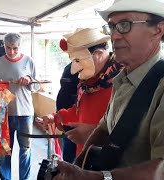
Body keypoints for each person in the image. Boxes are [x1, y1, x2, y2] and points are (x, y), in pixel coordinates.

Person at [49, 0, 164, 179]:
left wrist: (97, 177)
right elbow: (104, 129)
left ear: (158, 30)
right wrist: (79, 165)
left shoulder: (159, 85)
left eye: (125, 25)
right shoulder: (121, 79)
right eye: (111, 27)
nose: (115, 36)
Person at [41, 28, 122, 157]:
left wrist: (94, 134)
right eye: (72, 60)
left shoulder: (121, 83)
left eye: (77, 60)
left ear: (99, 54)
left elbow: (129, 132)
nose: (73, 70)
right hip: (85, 156)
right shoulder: (87, 83)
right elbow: (79, 111)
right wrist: (57, 117)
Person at [0, 33, 40, 180]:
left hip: (25, 113)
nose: (11, 52)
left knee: (25, 150)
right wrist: (1, 87)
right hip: (4, 115)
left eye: (15, 48)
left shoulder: (29, 61)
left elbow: (36, 87)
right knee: (4, 151)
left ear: (20, 47)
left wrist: (29, 80)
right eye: (8, 48)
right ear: (4, 46)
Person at [55, 63, 79, 163]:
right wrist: (57, 117)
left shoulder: (94, 73)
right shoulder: (68, 67)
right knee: (68, 160)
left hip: (81, 125)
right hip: (67, 123)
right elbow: (62, 94)